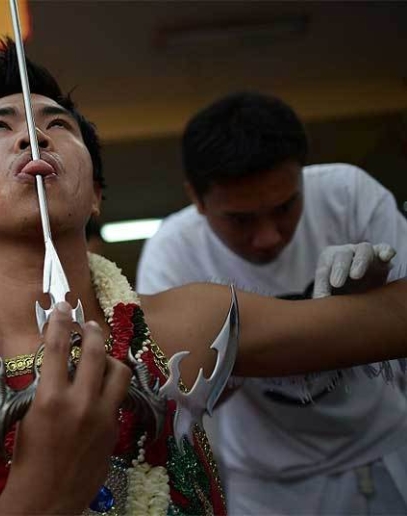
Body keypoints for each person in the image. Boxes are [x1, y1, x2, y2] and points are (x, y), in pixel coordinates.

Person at [0, 43, 407, 515]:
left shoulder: (193, 325)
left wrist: (357, 300)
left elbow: (385, 321)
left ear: (96, 194)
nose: (33, 137)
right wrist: (41, 494)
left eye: (58, 125)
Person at [136, 91, 407, 513]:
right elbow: (170, 409)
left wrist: (375, 299)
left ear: (302, 176)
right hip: (268, 485)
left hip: (383, 448)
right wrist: (333, 324)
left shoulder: (347, 194)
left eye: (285, 207)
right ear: (197, 199)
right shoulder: (173, 251)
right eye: (240, 219)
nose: (268, 237)